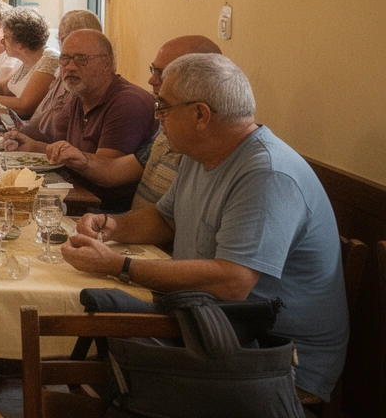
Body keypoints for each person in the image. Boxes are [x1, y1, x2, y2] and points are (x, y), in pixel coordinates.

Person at [62, 54, 347, 403]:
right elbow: (166, 219)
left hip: (274, 357)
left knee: (96, 329)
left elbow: (232, 282)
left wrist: (121, 266)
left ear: (200, 115)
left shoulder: (267, 173)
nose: (158, 118)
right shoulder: (203, 152)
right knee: (101, 327)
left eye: (163, 108)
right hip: (216, 326)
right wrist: (111, 226)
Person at [50, 35, 223, 210]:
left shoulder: (223, 154)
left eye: (162, 73)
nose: (151, 81)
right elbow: (114, 172)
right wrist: (82, 160)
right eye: (152, 70)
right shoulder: (164, 136)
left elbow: (165, 227)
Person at [3, 30, 158, 211]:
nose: (70, 67)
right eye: (65, 59)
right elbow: (67, 154)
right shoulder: (78, 95)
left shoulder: (128, 102)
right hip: (72, 194)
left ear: (107, 64)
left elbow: (105, 173)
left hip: (101, 209)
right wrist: (30, 147)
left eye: (81, 59)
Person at [21, 9, 103, 141]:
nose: (62, 45)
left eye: (64, 39)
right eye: (60, 40)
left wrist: (24, 132)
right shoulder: (64, 68)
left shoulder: (84, 82)